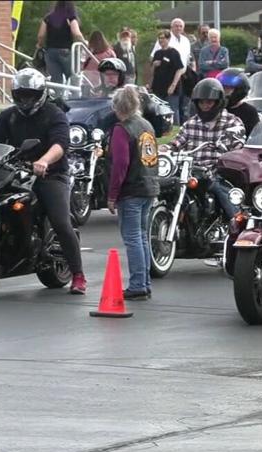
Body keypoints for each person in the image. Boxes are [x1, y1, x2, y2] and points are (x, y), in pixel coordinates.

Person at [0, 68, 87, 294]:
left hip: (50, 173)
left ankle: (78, 275)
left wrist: (44, 161)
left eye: (30, 95)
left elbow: (60, 144)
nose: (26, 100)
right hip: (14, 171)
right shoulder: (8, 116)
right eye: (21, 95)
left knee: (60, 221)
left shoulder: (54, 114)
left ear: (40, 94)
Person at [161, 78, 245, 224]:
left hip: (218, 173)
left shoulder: (232, 122)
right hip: (192, 172)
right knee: (168, 186)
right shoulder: (191, 124)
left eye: (209, 102)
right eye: (201, 102)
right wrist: (166, 148)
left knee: (221, 191)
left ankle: (237, 223)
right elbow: (178, 141)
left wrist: (229, 152)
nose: (205, 106)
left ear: (218, 102)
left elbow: (239, 147)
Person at [106, 86, 160, 300]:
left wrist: (112, 194)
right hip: (149, 186)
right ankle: (144, 282)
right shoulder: (146, 125)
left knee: (132, 238)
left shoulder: (122, 129)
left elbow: (120, 164)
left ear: (115, 107)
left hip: (131, 189)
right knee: (142, 237)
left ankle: (137, 284)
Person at [151, 18, 192, 125]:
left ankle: (177, 127)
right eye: (176, 26)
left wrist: (173, 85)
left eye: (180, 26)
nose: (178, 28)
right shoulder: (159, 50)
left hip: (179, 77)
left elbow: (185, 61)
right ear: (171, 27)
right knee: (160, 107)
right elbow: (152, 63)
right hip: (160, 82)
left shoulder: (184, 42)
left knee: (178, 106)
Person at [37, 1, 85, 86]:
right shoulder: (70, 17)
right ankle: (73, 93)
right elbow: (77, 34)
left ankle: (57, 94)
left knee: (56, 80)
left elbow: (41, 35)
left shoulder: (48, 18)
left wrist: (40, 45)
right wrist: (84, 43)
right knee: (72, 78)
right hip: (66, 51)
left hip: (50, 52)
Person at [217, 68, 258, 136]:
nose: (224, 91)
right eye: (223, 88)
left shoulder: (249, 112)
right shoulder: (215, 108)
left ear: (239, 90)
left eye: (228, 88)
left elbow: (255, 136)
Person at [150, 30, 185, 106]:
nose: (161, 40)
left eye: (163, 38)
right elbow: (152, 72)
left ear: (168, 39)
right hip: (158, 88)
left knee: (172, 109)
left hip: (170, 88)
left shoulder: (173, 52)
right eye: (159, 38)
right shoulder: (157, 53)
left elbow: (179, 69)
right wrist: (154, 65)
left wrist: (173, 85)